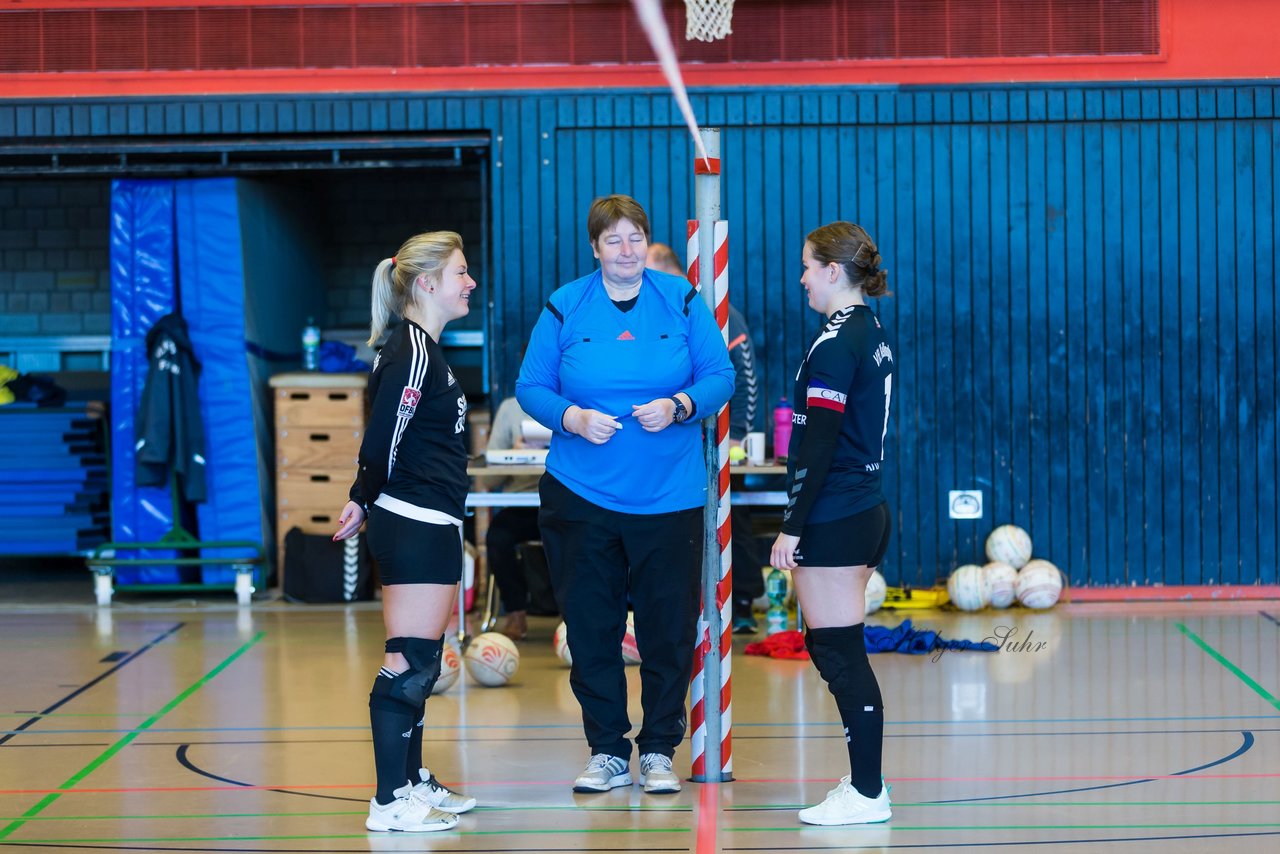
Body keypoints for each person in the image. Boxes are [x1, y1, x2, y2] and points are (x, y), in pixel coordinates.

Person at [517, 195, 734, 795]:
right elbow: (531, 385)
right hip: (581, 498)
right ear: (595, 248)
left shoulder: (682, 300)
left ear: (647, 241)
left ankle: (660, 748)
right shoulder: (565, 306)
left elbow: (720, 376)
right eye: (613, 240)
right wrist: (572, 418)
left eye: (635, 237)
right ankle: (608, 750)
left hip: (669, 498)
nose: (627, 249)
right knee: (592, 628)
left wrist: (681, 405)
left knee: (667, 628)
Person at [333, 231, 479, 833]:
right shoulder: (412, 349)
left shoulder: (424, 348)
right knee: (410, 661)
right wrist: (362, 499)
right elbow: (382, 436)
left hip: (432, 517)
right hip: (412, 517)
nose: (469, 283)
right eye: (461, 273)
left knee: (421, 660)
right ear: (426, 284)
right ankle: (389, 801)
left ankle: (413, 780)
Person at [769, 221, 896, 826]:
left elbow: (816, 442)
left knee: (840, 653)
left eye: (806, 267)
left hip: (837, 512)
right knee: (832, 647)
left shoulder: (836, 342)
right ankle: (866, 781)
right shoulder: (868, 330)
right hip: (862, 506)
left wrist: (792, 524)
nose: (801, 280)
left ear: (832, 271)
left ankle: (867, 792)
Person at [646, 242, 765, 633]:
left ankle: (743, 600)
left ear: (667, 272)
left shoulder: (720, 315)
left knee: (733, 515)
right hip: (673, 447)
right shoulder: (652, 316)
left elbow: (742, 380)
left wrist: (739, 437)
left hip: (721, 440)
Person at [484, 395, 544, 640]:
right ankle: (515, 612)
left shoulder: (576, 398)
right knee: (497, 538)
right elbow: (487, 479)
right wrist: (513, 454)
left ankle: (572, 615)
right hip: (522, 504)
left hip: (565, 500)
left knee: (579, 537)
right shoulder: (510, 408)